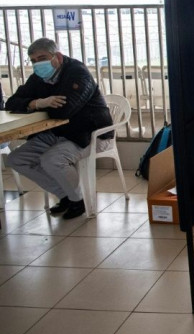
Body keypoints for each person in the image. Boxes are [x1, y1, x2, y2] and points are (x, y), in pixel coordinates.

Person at [5, 38, 113, 219]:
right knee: (16, 159)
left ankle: (78, 201)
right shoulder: (39, 77)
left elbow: (64, 110)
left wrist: (34, 105)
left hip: (88, 133)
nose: (38, 64)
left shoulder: (78, 73)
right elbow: (11, 103)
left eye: (42, 57)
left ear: (58, 57)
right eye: (33, 61)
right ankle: (66, 195)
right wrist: (37, 102)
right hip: (56, 133)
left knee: (51, 160)